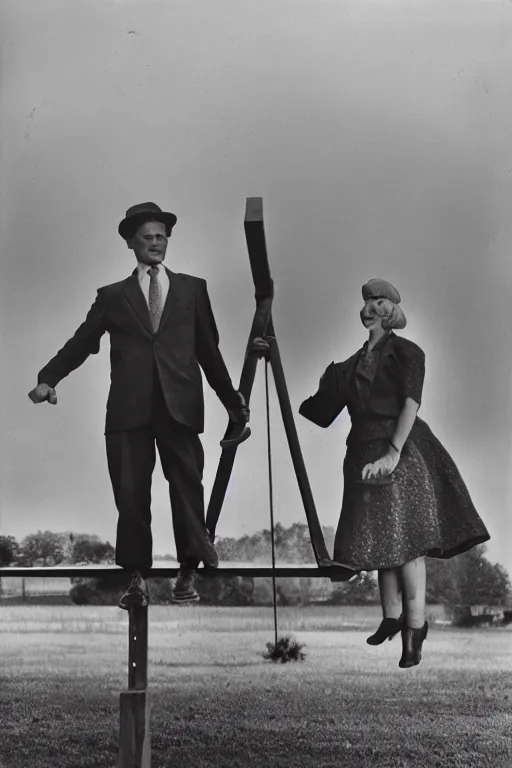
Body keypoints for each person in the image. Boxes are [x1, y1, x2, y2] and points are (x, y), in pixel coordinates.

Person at [29, 202, 249, 609]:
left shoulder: (193, 289)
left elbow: (210, 352)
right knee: (130, 497)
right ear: (131, 242)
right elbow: (81, 343)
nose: (155, 243)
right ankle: (136, 580)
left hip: (180, 407)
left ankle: (187, 573)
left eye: (161, 236)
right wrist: (48, 378)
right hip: (129, 413)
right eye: (147, 237)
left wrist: (232, 400)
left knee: (187, 489)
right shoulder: (112, 297)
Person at [299, 278, 490, 668]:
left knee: (408, 544)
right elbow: (320, 413)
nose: (370, 307)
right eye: (367, 301)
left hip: (402, 449)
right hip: (361, 452)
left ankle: (414, 629)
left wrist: (393, 452)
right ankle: (391, 617)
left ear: (390, 310)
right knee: (385, 539)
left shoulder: (407, 352)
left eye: (378, 301)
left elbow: (410, 404)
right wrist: (305, 379)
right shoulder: (347, 367)